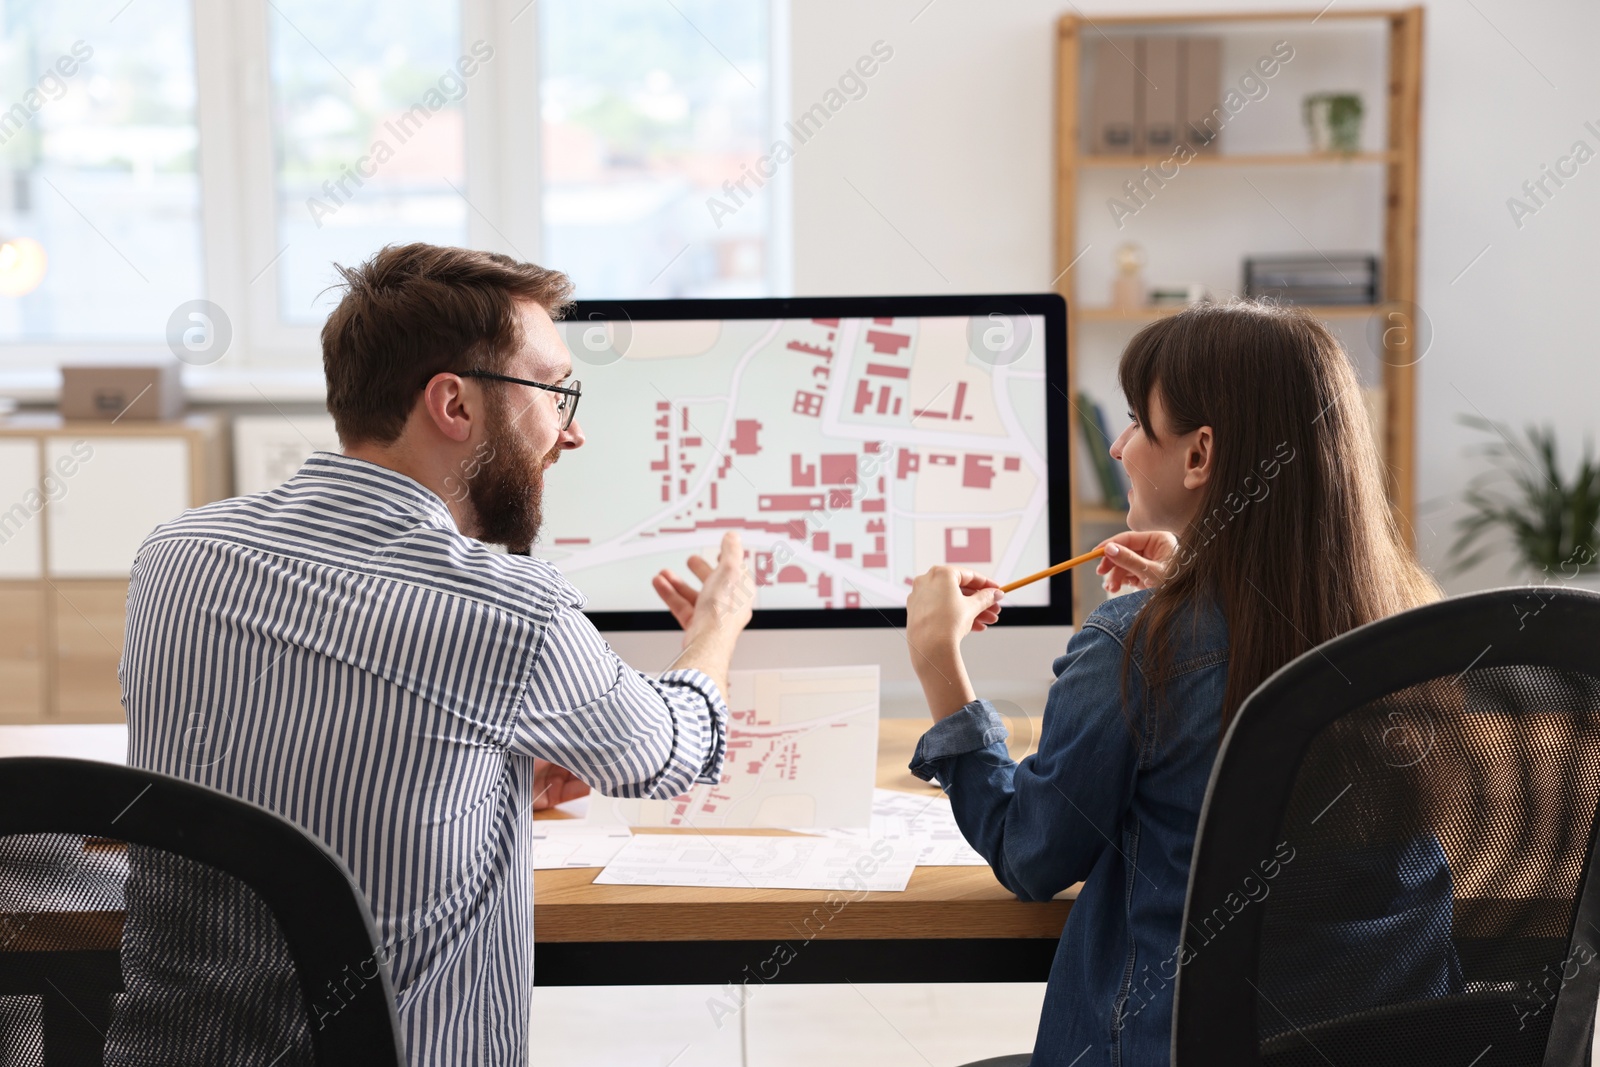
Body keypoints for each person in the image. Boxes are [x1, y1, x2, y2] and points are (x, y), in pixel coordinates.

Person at [113, 243, 753, 1064]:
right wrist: (717, 625)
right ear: (452, 402)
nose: (573, 431)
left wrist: (486, 767)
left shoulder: (175, 554)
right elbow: (669, 754)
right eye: (557, 393)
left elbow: (280, 749)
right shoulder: (511, 608)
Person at [902, 301, 1445, 1067]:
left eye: (1134, 422)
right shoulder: (1421, 629)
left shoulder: (1138, 641)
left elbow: (1032, 853)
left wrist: (940, 669)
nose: (1118, 446)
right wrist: (1191, 593)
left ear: (1200, 455)